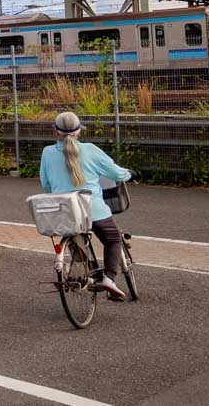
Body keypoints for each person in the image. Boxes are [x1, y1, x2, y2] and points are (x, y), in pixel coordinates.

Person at [40, 111, 133, 301]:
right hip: (93, 210)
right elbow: (115, 172)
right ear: (79, 131)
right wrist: (129, 174)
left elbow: (46, 184)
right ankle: (109, 279)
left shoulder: (47, 153)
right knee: (113, 239)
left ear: (55, 132)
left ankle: (78, 257)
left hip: (65, 211)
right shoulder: (90, 149)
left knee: (74, 230)